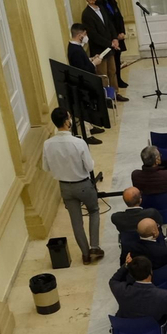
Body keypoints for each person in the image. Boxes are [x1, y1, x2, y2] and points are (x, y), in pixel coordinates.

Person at [42, 108, 102, 263]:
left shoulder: (47, 144)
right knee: (94, 211)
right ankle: (94, 246)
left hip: (65, 187)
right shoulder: (78, 142)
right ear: (67, 122)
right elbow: (89, 167)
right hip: (82, 184)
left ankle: (85, 254)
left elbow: (46, 167)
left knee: (76, 222)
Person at [110, 255, 167, 334]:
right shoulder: (163, 295)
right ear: (151, 272)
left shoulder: (121, 291)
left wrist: (126, 266)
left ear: (131, 275)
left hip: (128, 333)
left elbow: (113, 280)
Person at [64, 24, 110, 139]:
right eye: (85, 34)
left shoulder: (77, 47)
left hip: (84, 83)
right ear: (80, 35)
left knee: (88, 106)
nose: (86, 37)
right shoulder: (75, 50)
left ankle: (90, 126)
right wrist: (95, 63)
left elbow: (82, 62)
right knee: (83, 108)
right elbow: (81, 70)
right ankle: (87, 134)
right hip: (81, 84)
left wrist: (91, 59)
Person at [123, 217, 167, 295]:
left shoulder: (127, 247)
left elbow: (123, 265)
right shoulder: (163, 251)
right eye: (157, 226)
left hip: (135, 282)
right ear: (154, 232)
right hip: (159, 281)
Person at [80, 0, 122, 94]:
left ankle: (115, 94)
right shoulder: (87, 14)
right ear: (90, 1)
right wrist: (110, 43)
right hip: (99, 49)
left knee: (112, 71)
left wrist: (115, 38)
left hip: (109, 47)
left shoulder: (101, 8)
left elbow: (110, 25)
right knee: (103, 74)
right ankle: (107, 97)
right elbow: (93, 35)